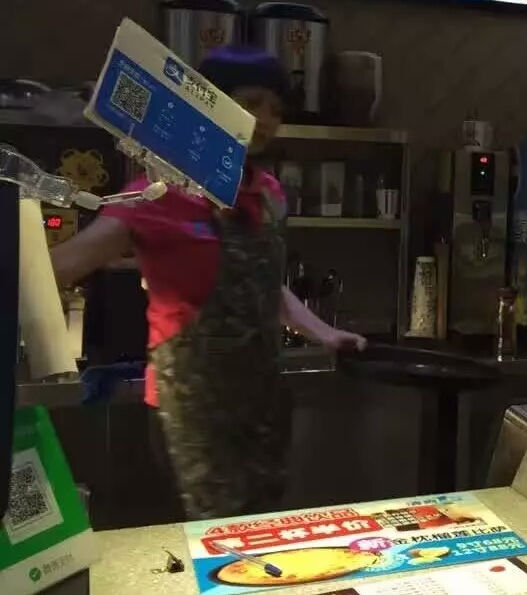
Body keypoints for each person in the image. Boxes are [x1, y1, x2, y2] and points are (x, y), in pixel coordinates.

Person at [53, 45, 366, 520]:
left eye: (276, 108)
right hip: (191, 414)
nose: (266, 119)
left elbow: (263, 282)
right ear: (210, 107)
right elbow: (67, 262)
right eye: (251, 103)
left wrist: (324, 333)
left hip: (261, 404)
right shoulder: (158, 196)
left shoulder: (268, 193)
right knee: (206, 538)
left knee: (258, 531)